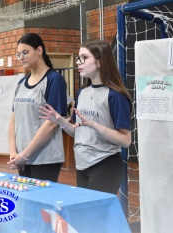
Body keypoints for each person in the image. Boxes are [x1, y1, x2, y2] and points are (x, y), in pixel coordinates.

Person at [39, 39, 132, 194]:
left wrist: (94, 124)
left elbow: (125, 140)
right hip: (82, 164)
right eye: (78, 58)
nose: (78, 62)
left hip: (105, 164)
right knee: (85, 215)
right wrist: (60, 120)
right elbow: (79, 132)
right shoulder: (82, 92)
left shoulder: (115, 95)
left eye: (84, 57)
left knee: (97, 217)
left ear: (100, 61)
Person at [7, 33, 68, 182]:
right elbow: (13, 121)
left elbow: (52, 124)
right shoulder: (21, 83)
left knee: (43, 204)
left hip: (45, 159)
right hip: (22, 159)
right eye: (18, 54)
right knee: (28, 203)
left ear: (39, 50)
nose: (21, 57)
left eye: (25, 52)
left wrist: (25, 154)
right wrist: (14, 152)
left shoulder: (54, 80)